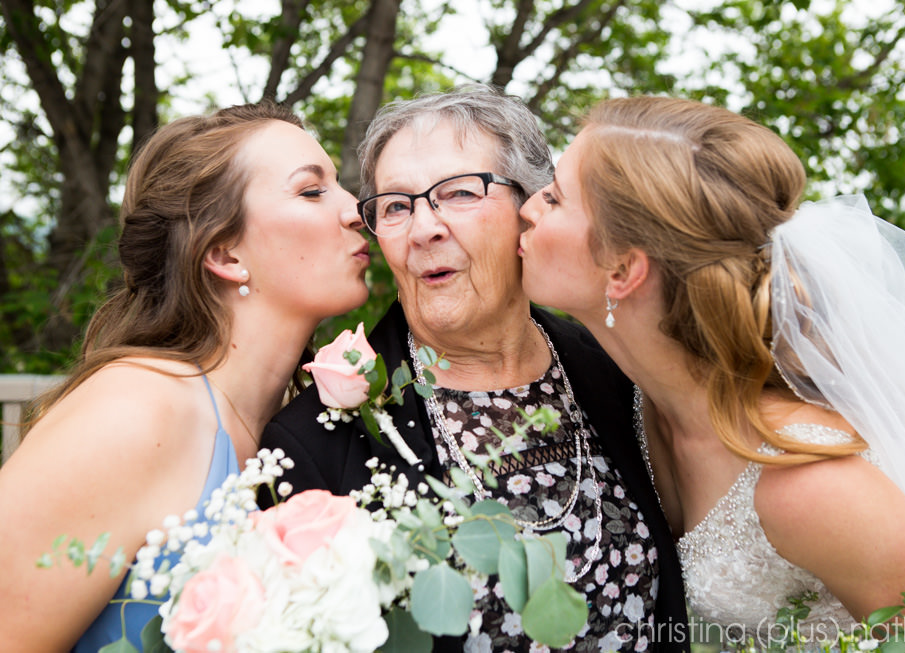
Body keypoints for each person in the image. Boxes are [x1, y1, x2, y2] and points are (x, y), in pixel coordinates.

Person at [518, 95, 905, 650]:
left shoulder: (814, 486)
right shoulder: (630, 401)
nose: (527, 208)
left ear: (623, 269)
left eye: (555, 198)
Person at [260, 85, 690, 652]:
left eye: (459, 193)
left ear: (531, 209)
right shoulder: (315, 439)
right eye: (395, 206)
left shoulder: (617, 373)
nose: (423, 229)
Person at [0, 101, 371, 651]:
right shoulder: (134, 409)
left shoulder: (303, 423)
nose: (356, 210)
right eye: (312, 191)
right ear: (223, 253)